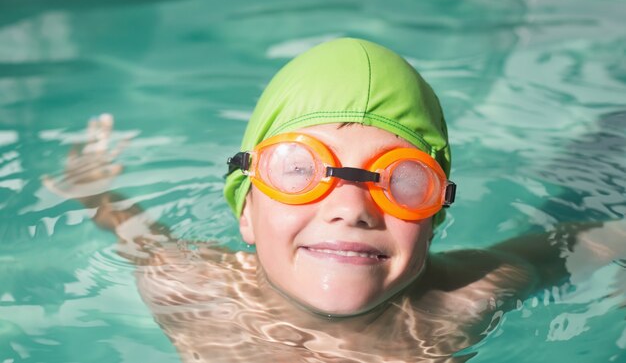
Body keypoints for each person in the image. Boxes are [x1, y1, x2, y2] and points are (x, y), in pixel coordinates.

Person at [44, 38, 625, 363]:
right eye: (297, 172)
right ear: (245, 209)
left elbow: (577, 241)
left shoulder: (465, 299)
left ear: (435, 217)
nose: (350, 207)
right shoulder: (191, 290)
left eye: (402, 181)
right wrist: (93, 188)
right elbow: (133, 231)